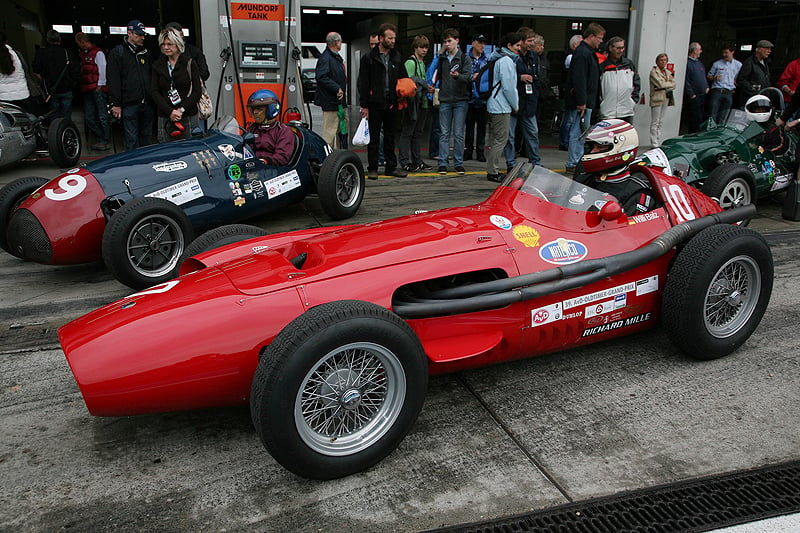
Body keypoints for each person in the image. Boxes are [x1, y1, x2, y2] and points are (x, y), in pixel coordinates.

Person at [574, 119, 659, 216]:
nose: (593, 152)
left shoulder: (637, 192)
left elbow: (628, 229)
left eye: (600, 147)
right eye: (592, 147)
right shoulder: (584, 178)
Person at [358, 23, 408, 179]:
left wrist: (402, 95)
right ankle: (373, 168)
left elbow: (403, 78)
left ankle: (391, 167)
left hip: (392, 102)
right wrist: (364, 105)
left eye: (394, 38)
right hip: (374, 103)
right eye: (390, 38)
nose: (393, 41)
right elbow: (363, 83)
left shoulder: (396, 56)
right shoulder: (368, 58)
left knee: (390, 136)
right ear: (381, 38)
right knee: (373, 137)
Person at [564, 22, 605, 172]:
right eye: (599, 38)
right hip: (583, 101)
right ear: (592, 36)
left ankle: (576, 160)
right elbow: (579, 78)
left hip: (587, 100)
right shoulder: (583, 53)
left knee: (581, 131)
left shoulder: (585, 52)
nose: (601, 41)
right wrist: (581, 102)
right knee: (578, 132)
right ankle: (574, 162)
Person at [108, 20, 154, 150]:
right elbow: (113, 80)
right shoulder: (118, 53)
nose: (142, 37)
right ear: (129, 33)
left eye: (143, 34)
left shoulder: (145, 52)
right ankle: (134, 169)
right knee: (131, 139)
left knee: (146, 138)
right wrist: (116, 104)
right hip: (129, 104)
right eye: (139, 35)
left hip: (147, 103)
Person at [150, 27, 202, 143]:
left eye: (169, 44)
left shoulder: (190, 63)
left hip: (188, 114)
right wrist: (170, 112)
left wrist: (181, 110)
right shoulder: (157, 65)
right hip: (165, 115)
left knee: (191, 149)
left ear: (178, 44)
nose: (166, 47)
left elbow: (197, 91)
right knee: (166, 152)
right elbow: (154, 91)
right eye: (163, 44)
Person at [485, 32, 522, 183]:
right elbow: (509, 87)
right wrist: (516, 105)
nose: (519, 48)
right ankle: (493, 171)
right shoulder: (506, 61)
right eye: (517, 45)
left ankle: (492, 169)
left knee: (497, 139)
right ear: (509, 46)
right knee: (500, 140)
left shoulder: (499, 59)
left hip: (495, 104)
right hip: (501, 106)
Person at [435, 28, 471, 175]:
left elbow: (468, 76)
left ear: (457, 40)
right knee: (444, 133)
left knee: (458, 133)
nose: (447, 44)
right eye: (445, 41)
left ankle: (458, 163)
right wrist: (440, 54)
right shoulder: (442, 58)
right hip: (445, 99)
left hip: (460, 99)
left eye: (449, 41)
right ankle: (443, 163)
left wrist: (458, 76)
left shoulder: (464, 58)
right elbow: (437, 75)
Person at [505, 27, 540, 170]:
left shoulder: (533, 57)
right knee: (510, 135)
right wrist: (520, 77)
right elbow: (507, 77)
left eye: (533, 41)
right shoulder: (512, 56)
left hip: (529, 101)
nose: (532, 44)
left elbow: (538, 76)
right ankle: (510, 163)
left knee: (533, 132)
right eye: (529, 41)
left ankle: (535, 162)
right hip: (514, 100)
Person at [398, 34, 433, 172]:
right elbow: (408, 81)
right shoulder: (411, 63)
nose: (424, 50)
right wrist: (425, 85)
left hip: (421, 103)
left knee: (417, 133)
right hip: (413, 104)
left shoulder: (422, 63)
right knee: (407, 132)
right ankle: (405, 161)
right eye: (421, 47)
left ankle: (417, 160)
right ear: (415, 48)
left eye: (426, 47)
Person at [33, 30, 79, 121]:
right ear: (60, 39)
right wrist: (72, 83)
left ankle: (56, 133)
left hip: (50, 91)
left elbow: (36, 72)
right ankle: (66, 133)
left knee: (54, 117)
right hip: (66, 89)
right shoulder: (67, 53)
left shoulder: (41, 53)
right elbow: (76, 72)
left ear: (47, 40)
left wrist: (44, 83)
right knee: (67, 117)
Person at [75, 32, 110, 150]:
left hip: (97, 88)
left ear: (82, 41)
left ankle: (105, 140)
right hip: (88, 89)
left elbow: (103, 68)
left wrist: (100, 85)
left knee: (102, 116)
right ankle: (101, 138)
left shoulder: (98, 53)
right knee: (89, 117)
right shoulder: (83, 55)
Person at [315, 32, 348, 148]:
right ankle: (327, 158)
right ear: (336, 42)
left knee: (342, 130)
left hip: (339, 103)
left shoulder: (335, 57)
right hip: (331, 103)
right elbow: (321, 77)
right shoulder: (326, 58)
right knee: (329, 132)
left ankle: (341, 154)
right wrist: (336, 88)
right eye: (340, 41)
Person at [246, 89, 295, 166]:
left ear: (271, 110)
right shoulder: (252, 128)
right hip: (254, 167)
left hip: (273, 170)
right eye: (253, 109)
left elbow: (282, 157)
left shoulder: (283, 131)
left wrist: (265, 161)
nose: (255, 112)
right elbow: (244, 149)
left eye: (259, 109)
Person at [598, 36, 640, 124]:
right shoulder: (602, 66)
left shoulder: (629, 64)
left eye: (622, 48)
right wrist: (601, 103)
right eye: (618, 48)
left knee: (624, 137)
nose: (621, 51)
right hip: (607, 112)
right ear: (610, 48)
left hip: (626, 112)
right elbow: (597, 88)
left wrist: (632, 101)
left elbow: (636, 83)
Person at [465, 34, 489, 162]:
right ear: (473, 43)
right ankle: (468, 150)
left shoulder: (486, 60)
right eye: (480, 43)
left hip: (483, 99)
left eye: (483, 43)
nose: (482, 46)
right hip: (469, 98)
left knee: (482, 127)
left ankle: (480, 151)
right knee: (468, 127)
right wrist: (471, 78)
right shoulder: (466, 58)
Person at [706, 44, 741, 124]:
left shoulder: (738, 65)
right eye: (723, 53)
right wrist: (714, 78)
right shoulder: (717, 64)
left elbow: (741, 78)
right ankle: (710, 132)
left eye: (726, 53)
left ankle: (719, 133)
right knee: (712, 114)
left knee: (724, 116)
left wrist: (737, 83)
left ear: (732, 52)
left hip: (729, 93)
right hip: (717, 91)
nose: (724, 55)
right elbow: (708, 76)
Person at [0, 31, 34, 113]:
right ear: (6, 41)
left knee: (10, 124)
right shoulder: (17, 54)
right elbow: (26, 69)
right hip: (23, 94)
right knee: (28, 122)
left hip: (4, 98)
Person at [559, 35, 582, 151]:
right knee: (569, 120)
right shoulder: (571, 57)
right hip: (570, 95)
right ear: (574, 45)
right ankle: (564, 141)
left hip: (576, 95)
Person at [648, 53, 676, 148]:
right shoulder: (653, 72)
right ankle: (654, 143)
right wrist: (667, 84)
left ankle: (658, 139)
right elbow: (660, 84)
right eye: (661, 60)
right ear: (657, 61)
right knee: (655, 121)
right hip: (657, 98)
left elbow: (674, 84)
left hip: (666, 98)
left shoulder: (667, 72)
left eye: (665, 60)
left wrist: (666, 84)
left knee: (661, 121)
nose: (663, 62)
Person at [736, 40, 772, 109]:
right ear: (759, 49)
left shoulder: (765, 63)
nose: (769, 51)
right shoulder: (749, 62)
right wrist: (754, 90)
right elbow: (741, 80)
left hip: (762, 100)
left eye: (770, 49)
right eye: (767, 48)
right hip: (750, 101)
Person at [684, 42, 708, 133]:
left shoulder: (700, 63)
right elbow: (686, 80)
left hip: (702, 95)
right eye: (699, 49)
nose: (701, 51)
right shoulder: (688, 63)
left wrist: (706, 87)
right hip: (694, 96)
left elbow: (703, 76)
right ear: (694, 50)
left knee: (700, 117)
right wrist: (691, 94)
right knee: (694, 118)